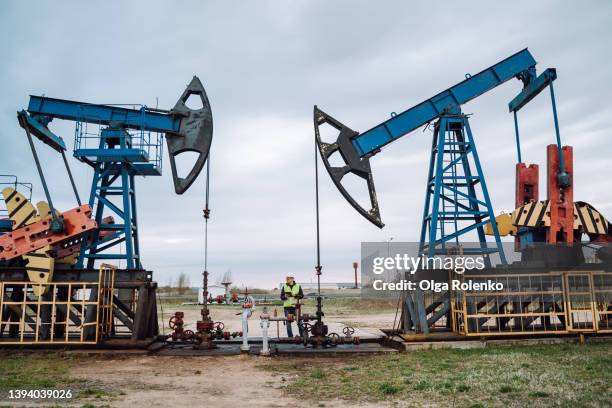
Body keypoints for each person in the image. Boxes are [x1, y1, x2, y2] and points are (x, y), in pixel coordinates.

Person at [280, 273, 304, 337]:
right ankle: (290, 337)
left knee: (299, 321)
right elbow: (281, 297)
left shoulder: (298, 286)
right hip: (287, 307)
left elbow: (301, 296)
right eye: (286, 278)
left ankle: (303, 336)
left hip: (296, 307)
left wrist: (295, 295)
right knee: (288, 323)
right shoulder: (284, 286)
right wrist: (285, 297)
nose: (287, 279)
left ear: (292, 279)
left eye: (288, 278)